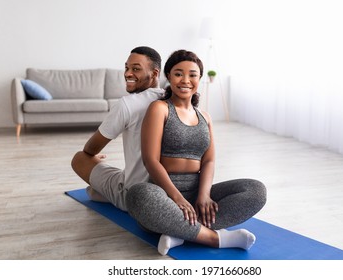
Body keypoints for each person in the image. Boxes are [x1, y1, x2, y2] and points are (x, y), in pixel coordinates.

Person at [126, 50, 267, 255]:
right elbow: (150, 160)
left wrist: (204, 195)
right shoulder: (160, 108)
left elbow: (209, 161)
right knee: (137, 195)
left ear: (199, 78)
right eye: (178, 73)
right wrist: (177, 198)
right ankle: (215, 238)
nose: (186, 80)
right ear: (169, 76)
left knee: (256, 190)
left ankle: (180, 232)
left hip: (196, 194)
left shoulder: (205, 117)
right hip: (163, 196)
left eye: (192, 74)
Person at [71, 46, 164, 211]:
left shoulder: (127, 104)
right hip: (165, 191)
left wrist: (94, 159)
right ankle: (101, 189)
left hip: (134, 194)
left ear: (155, 73)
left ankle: (102, 192)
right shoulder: (172, 100)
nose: (128, 73)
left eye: (136, 69)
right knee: (116, 175)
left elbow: (90, 149)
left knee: (79, 158)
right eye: (127, 68)